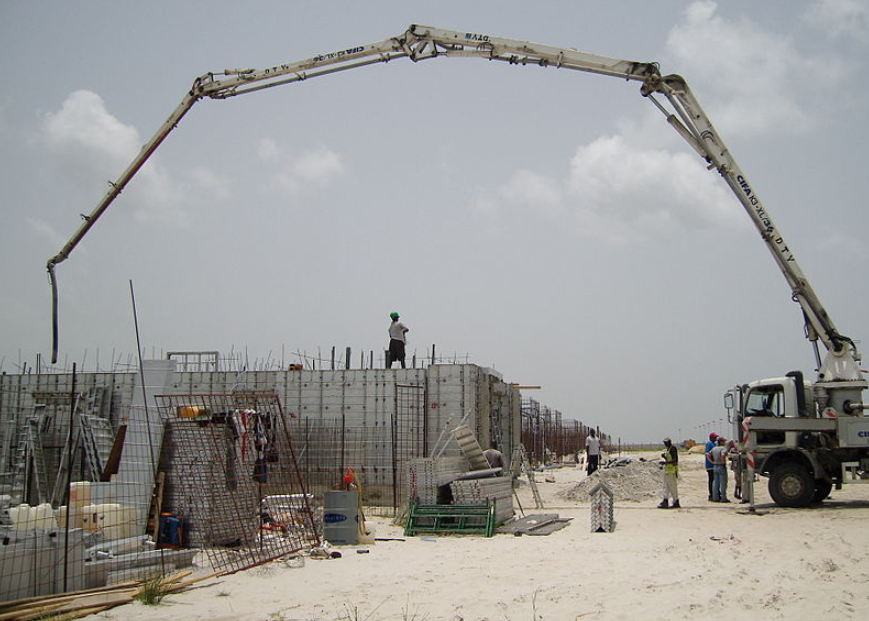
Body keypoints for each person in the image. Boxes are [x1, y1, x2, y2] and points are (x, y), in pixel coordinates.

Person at [658, 437, 680, 509]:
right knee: (666, 487)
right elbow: (670, 459)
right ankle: (665, 500)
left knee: (672, 487)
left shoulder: (672, 449)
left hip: (671, 471)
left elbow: (675, 460)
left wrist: (665, 462)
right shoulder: (668, 449)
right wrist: (665, 457)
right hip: (668, 471)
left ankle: (676, 501)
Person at [708, 436, 730, 503]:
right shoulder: (723, 448)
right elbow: (723, 455)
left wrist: (712, 462)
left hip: (715, 466)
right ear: (721, 442)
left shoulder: (714, 448)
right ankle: (723, 498)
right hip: (721, 466)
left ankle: (715, 497)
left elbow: (708, 455)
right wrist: (723, 462)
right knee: (723, 483)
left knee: (715, 483)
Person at [704, 432, 718, 501]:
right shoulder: (709, 444)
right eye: (714, 437)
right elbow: (707, 454)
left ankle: (716, 493)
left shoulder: (714, 444)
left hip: (714, 465)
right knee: (711, 480)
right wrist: (712, 461)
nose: (715, 438)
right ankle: (711, 494)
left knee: (715, 480)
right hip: (710, 465)